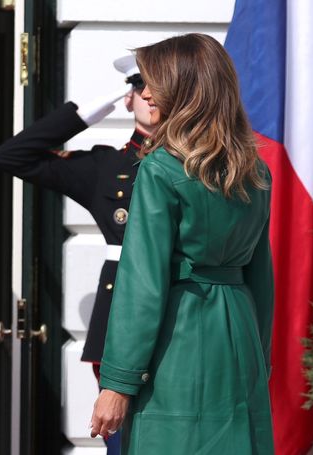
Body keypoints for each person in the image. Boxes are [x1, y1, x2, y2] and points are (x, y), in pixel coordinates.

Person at [90, 33, 274, 454]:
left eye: (155, 81)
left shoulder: (160, 168)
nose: (147, 92)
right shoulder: (255, 169)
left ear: (185, 89)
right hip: (240, 338)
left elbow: (142, 285)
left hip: (179, 342)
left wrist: (117, 382)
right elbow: (261, 277)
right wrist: (259, 358)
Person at [0, 54, 155, 454]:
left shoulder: (197, 164)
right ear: (129, 97)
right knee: (124, 435)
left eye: (161, 88)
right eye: (139, 87)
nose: (151, 96)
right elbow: (12, 156)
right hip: (122, 309)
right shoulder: (106, 166)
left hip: (180, 310)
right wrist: (86, 112)